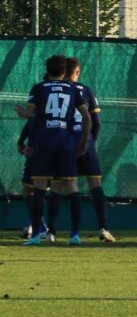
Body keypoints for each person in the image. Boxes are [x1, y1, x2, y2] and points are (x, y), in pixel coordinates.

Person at [16, 55, 91, 246]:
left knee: (39, 188)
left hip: (45, 142)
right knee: (72, 188)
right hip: (66, 143)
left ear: (47, 70)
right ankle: (74, 235)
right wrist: (83, 142)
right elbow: (86, 117)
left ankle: (35, 236)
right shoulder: (73, 89)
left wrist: (20, 111)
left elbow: (29, 114)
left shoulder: (39, 88)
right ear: (64, 72)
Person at [43, 57, 115, 243]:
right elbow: (96, 122)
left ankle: (51, 231)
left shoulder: (53, 89)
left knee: (58, 186)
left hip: (65, 143)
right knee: (95, 185)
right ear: (76, 72)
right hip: (86, 142)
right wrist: (90, 142)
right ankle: (103, 228)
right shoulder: (86, 90)